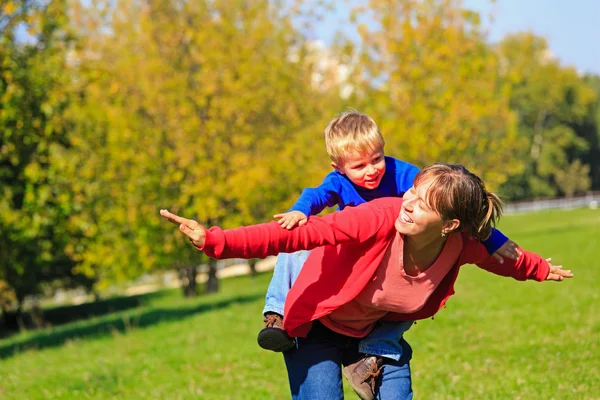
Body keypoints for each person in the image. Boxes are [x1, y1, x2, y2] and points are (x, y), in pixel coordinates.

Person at [160, 163, 572, 399]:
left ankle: (364, 365)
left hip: (375, 340)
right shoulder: (379, 217)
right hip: (318, 327)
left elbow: (502, 258)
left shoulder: (460, 246)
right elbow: (297, 235)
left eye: (423, 205)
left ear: (450, 225)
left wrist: (538, 268)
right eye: (412, 192)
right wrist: (216, 241)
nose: (407, 204)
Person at [258, 111, 519, 395]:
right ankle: (277, 314)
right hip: (352, 258)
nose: (371, 170)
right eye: (359, 166)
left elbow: (449, 203)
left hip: (390, 257)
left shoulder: (401, 173)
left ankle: (377, 349)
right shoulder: (337, 181)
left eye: (377, 159)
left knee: (414, 291)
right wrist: (300, 211)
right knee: (296, 242)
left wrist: (495, 240)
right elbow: (315, 195)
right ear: (339, 167)